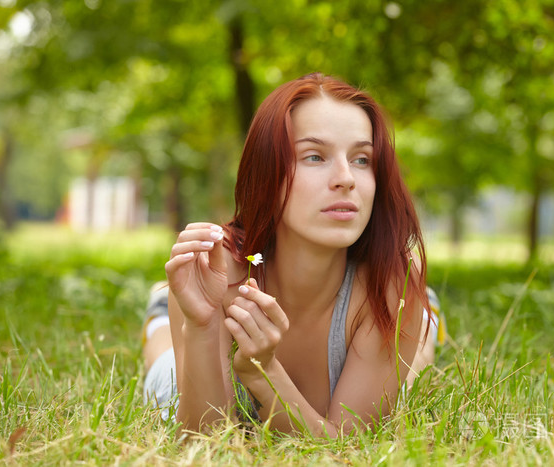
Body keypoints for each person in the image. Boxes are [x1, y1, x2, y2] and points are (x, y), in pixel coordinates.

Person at [142, 72, 438, 437]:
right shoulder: (219, 273)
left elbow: (343, 447)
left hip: (388, 299)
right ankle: (159, 313)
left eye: (362, 159)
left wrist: (261, 372)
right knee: (163, 362)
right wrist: (201, 325)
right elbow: (204, 442)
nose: (346, 178)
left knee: (417, 360)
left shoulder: (390, 290)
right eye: (315, 156)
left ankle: (429, 316)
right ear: (269, 171)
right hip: (184, 370)